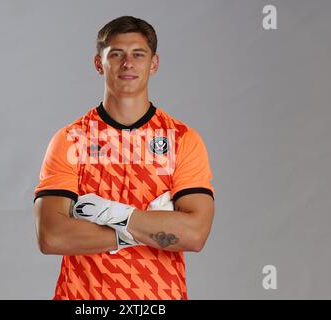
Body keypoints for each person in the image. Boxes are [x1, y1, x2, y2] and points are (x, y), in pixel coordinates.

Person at [33, 16, 215, 300]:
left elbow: (194, 235)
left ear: (154, 64)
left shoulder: (181, 139)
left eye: (138, 54)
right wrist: (148, 225)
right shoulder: (71, 139)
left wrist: (114, 215)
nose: (127, 64)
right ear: (98, 63)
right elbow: (52, 236)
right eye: (116, 54)